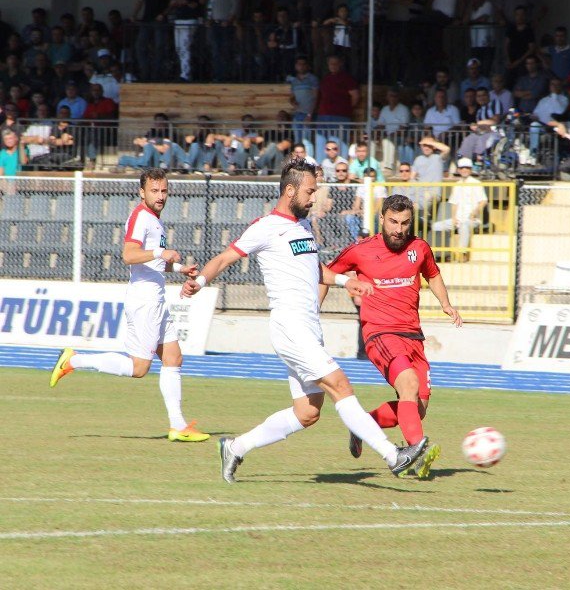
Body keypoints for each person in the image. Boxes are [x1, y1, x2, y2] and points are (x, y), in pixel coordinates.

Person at [180, 158, 428, 483]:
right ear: (290, 190)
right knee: (341, 385)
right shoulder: (266, 227)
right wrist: (198, 283)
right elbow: (226, 257)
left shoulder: (304, 227)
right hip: (290, 327)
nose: (314, 199)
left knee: (308, 412)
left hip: (309, 328)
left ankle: (235, 447)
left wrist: (344, 282)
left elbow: (313, 268)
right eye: (310, 192)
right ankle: (393, 455)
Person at [49, 168, 210, 442]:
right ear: (142, 192)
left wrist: (180, 267)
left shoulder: (154, 220)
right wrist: (162, 252)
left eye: (164, 191)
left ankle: (178, 426)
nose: (160, 196)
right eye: (154, 191)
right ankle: (74, 360)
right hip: (144, 300)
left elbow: (152, 262)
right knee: (139, 368)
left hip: (156, 298)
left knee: (173, 358)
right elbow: (128, 254)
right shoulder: (141, 217)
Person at [323, 193, 462, 478]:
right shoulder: (360, 250)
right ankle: (417, 455)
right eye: (393, 222)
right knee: (408, 383)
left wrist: (445, 303)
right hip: (380, 334)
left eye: (405, 223)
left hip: (413, 336)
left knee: (417, 408)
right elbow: (324, 272)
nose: (399, 229)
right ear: (382, 218)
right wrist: (313, 310)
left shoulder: (419, 248)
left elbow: (432, 274)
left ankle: (362, 425)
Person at [432, 157, 488, 257]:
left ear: (470, 169)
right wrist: (453, 217)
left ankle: (462, 253)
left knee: (464, 225)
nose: (464, 170)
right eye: (462, 168)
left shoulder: (477, 183)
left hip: (472, 220)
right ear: (458, 170)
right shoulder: (457, 185)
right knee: (435, 226)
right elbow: (454, 203)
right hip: (458, 219)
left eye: (467, 168)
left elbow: (483, 201)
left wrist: (474, 213)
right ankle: (440, 254)